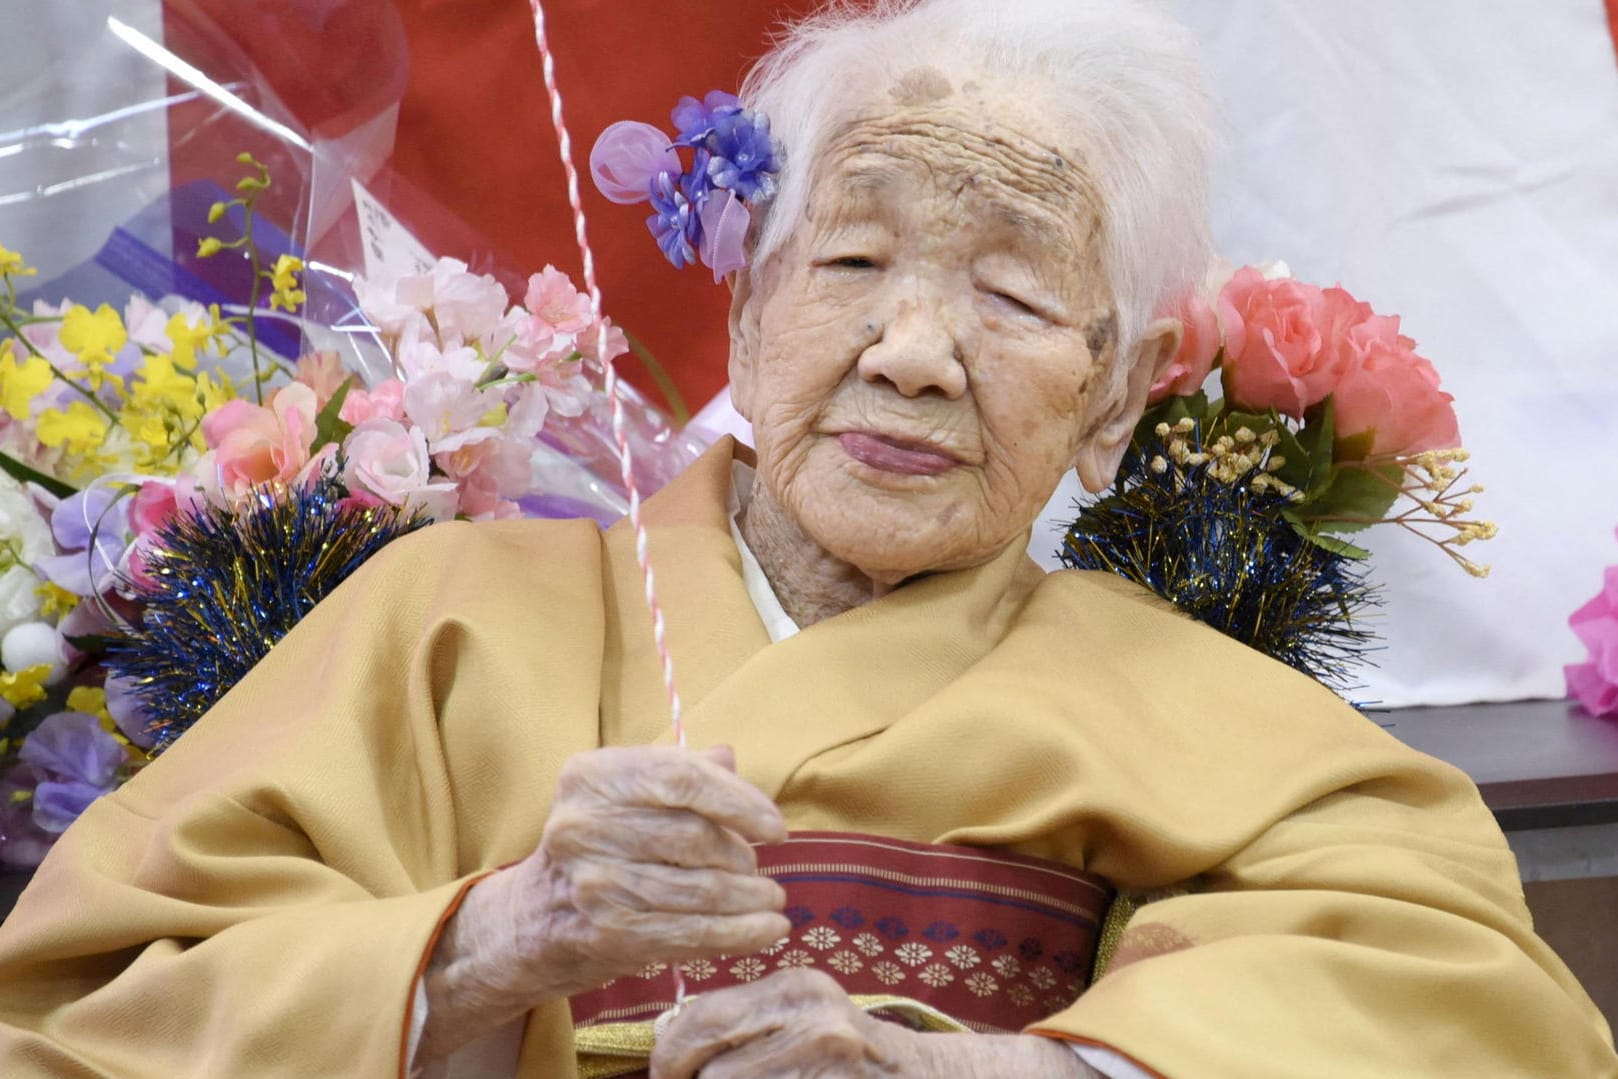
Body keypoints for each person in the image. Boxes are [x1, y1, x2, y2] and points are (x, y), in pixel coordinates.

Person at [1, 0, 1614, 1076]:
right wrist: (489, 946)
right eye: (849, 265)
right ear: (745, 307)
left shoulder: (1205, 709)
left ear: (1113, 397)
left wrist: (988, 1068)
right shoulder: (444, 619)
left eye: (1008, 294)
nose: (913, 351)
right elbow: (78, 1014)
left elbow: (1479, 1018)